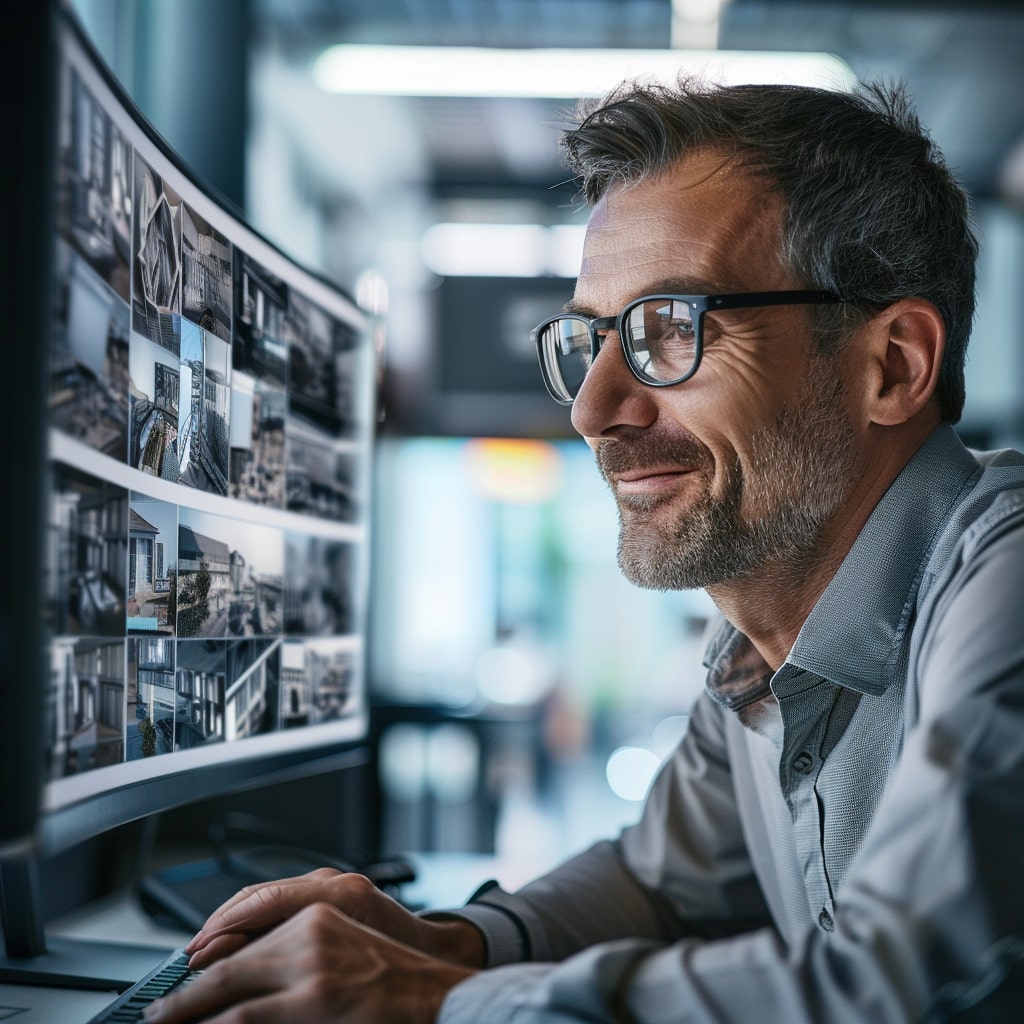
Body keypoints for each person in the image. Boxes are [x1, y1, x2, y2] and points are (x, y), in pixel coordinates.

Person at [144, 77, 1024, 1024]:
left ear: (891, 364)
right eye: (590, 340)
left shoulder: (1001, 579)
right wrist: (454, 942)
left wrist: (444, 1001)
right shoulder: (757, 657)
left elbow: (922, 985)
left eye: (670, 330)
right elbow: (656, 886)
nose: (594, 410)